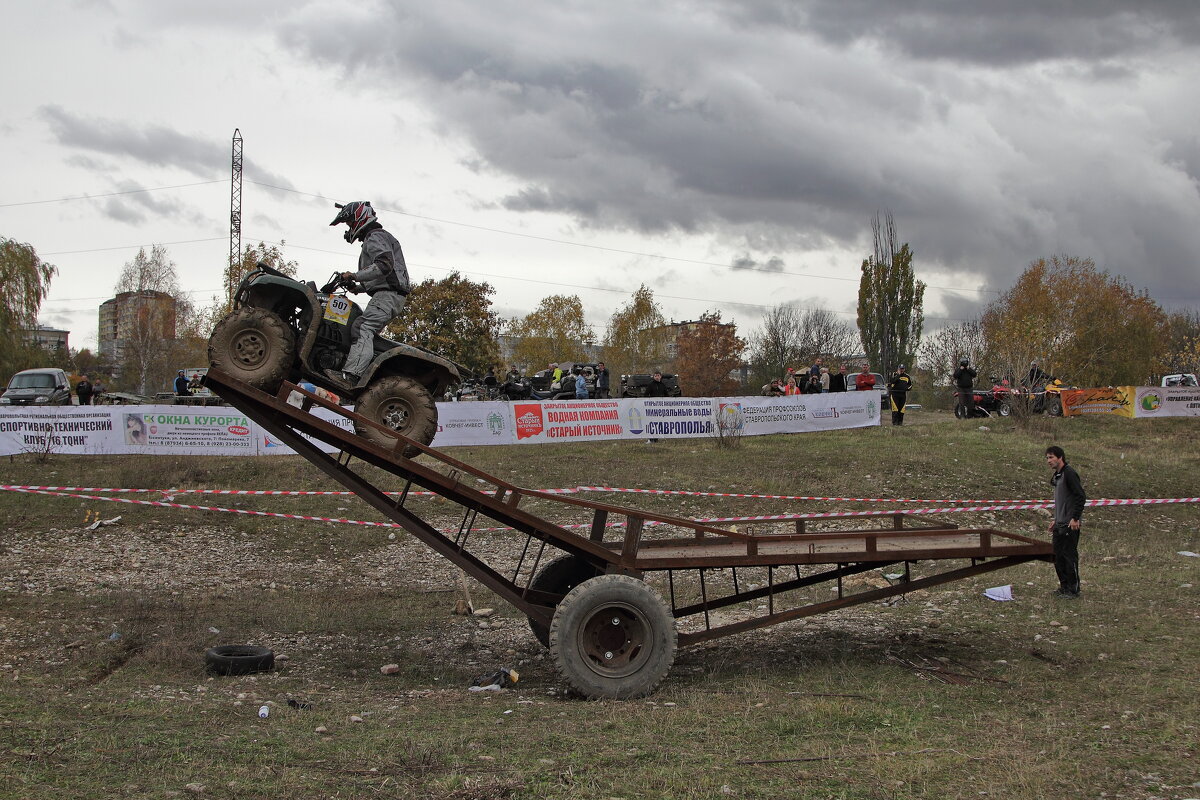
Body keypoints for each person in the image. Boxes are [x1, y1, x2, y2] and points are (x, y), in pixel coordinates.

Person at [325, 201, 411, 386]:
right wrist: (358, 287)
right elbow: (388, 274)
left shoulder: (375, 236)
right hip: (389, 295)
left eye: (349, 223)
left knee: (362, 328)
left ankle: (350, 376)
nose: (349, 228)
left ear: (359, 218)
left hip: (388, 296)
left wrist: (355, 276)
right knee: (362, 329)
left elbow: (384, 265)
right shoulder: (379, 237)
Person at [1044, 445, 1086, 599]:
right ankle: (1064, 586)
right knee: (1057, 556)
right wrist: (1056, 519)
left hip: (1070, 524)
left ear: (1060, 457)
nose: (1049, 461)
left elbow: (1080, 496)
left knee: (1069, 556)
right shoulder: (1058, 476)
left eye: (1051, 457)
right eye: (1047, 458)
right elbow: (1062, 501)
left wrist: (1075, 518)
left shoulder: (1069, 473)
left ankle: (1073, 590)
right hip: (1060, 523)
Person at [644, 370, 669, 442]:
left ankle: (656, 438)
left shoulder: (663, 385)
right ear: (653, 377)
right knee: (652, 423)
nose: (657, 377)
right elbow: (646, 395)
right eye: (655, 376)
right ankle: (651, 438)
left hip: (660, 408)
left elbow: (667, 396)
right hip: (652, 408)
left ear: (660, 376)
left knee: (659, 423)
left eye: (658, 375)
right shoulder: (651, 385)